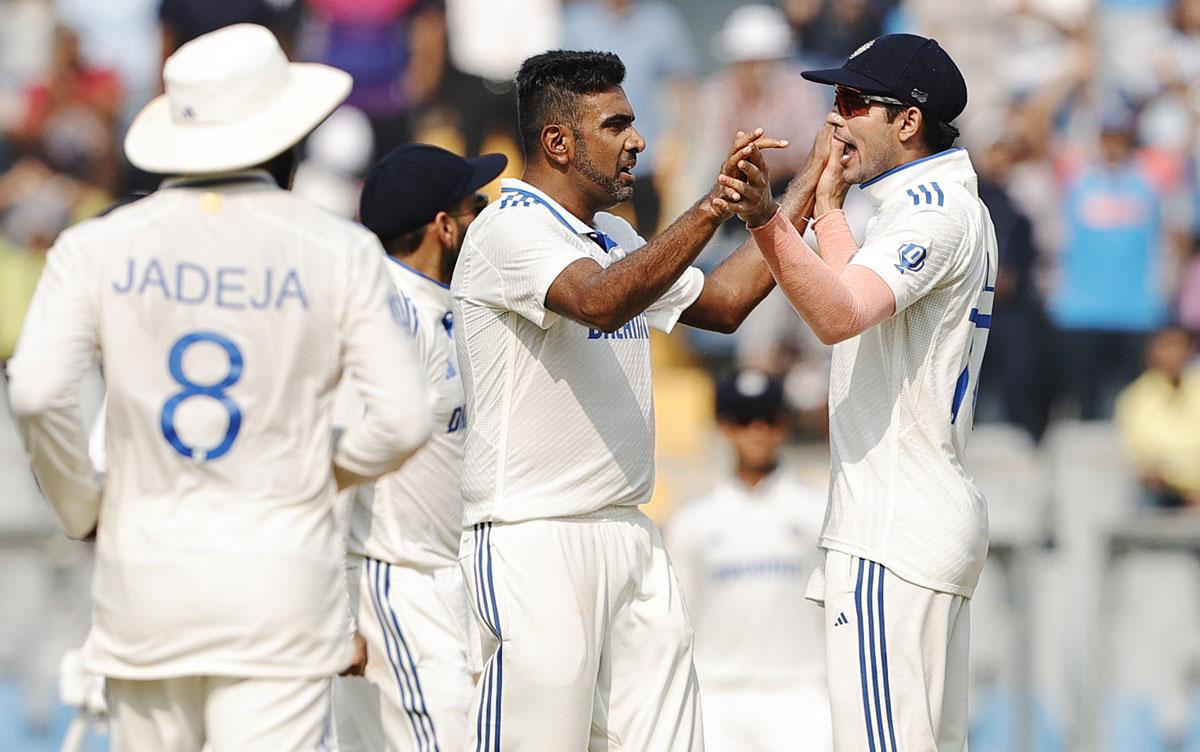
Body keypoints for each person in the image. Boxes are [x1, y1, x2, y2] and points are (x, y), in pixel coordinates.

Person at [6, 24, 432, 751]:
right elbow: (401, 418)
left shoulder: (97, 243)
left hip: (143, 577)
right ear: (286, 137)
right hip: (279, 583)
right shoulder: (338, 248)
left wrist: (86, 507)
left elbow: (39, 391)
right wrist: (315, 474)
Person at [451, 49, 832, 750]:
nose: (639, 140)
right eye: (616, 124)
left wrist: (805, 181)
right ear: (558, 142)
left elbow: (721, 305)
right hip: (534, 537)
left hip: (627, 533)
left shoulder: (615, 236)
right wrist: (712, 204)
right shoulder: (508, 230)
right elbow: (599, 303)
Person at [715, 33, 998, 750]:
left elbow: (838, 317)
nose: (835, 120)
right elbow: (861, 301)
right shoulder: (931, 204)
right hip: (918, 518)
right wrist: (831, 210)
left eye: (851, 101)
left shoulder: (934, 210)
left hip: (892, 527)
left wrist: (767, 220)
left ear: (907, 121)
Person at [336, 143, 506, 752]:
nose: (483, 216)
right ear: (443, 226)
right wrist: (335, 610)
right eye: (475, 205)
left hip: (444, 582)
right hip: (391, 583)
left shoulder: (442, 304)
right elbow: (328, 458)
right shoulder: (386, 315)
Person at [666, 369, 831, 751]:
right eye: (742, 419)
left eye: (768, 418)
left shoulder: (818, 512)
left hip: (801, 694)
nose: (757, 431)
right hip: (716, 693)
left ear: (784, 426)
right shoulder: (693, 522)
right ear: (724, 428)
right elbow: (679, 620)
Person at [1114, 327, 1200, 509]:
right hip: (1163, 492)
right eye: (1166, 346)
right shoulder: (1135, 397)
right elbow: (1141, 457)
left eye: (1178, 346)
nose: (1173, 354)